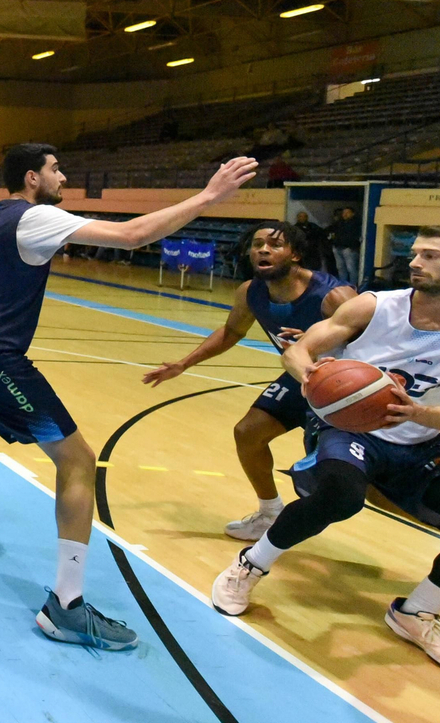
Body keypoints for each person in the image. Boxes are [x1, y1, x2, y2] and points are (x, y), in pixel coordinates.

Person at [0, 143, 258, 650]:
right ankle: (66, 606)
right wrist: (207, 197)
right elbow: (133, 236)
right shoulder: (35, 216)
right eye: (55, 170)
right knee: (77, 460)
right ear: (32, 178)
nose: (63, 177)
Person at [211, 226, 440, 682]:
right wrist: (313, 376)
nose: (415, 262)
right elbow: (300, 350)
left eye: (431, 255)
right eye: (415, 253)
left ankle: (415, 613)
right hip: (346, 427)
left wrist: (418, 412)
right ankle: (250, 565)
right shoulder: (375, 306)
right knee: (341, 495)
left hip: (419, 441)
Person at [142, 222, 354, 539]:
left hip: (345, 385)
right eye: (257, 244)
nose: (263, 250)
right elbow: (232, 332)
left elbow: (378, 343)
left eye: (274, 244)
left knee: (350, 481)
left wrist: (320, 341)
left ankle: (437, 526)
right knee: (248, 432)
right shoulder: (250, 292)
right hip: (300, 378)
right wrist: (184, 363)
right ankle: (270, 513)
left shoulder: (334, 296)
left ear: (295, 254)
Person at [293, 211, 334, 275]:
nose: (303, 218)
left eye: (304, 216)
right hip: (302, 252)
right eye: (301, 216)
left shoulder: (313, 226)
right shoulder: (294, 228)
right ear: (298, 218)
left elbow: (322, 233)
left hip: (314, 252)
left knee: (315, 269)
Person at [330, 206, 362, 284]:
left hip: (349, 249)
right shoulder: (339, 223)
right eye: (344, 213)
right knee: (340, 268)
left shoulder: (357, 223)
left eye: (347, 212)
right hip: (338, 247)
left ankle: (353, 285)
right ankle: (342, 285)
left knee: (351, 268)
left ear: (353, 214)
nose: (345, 214)